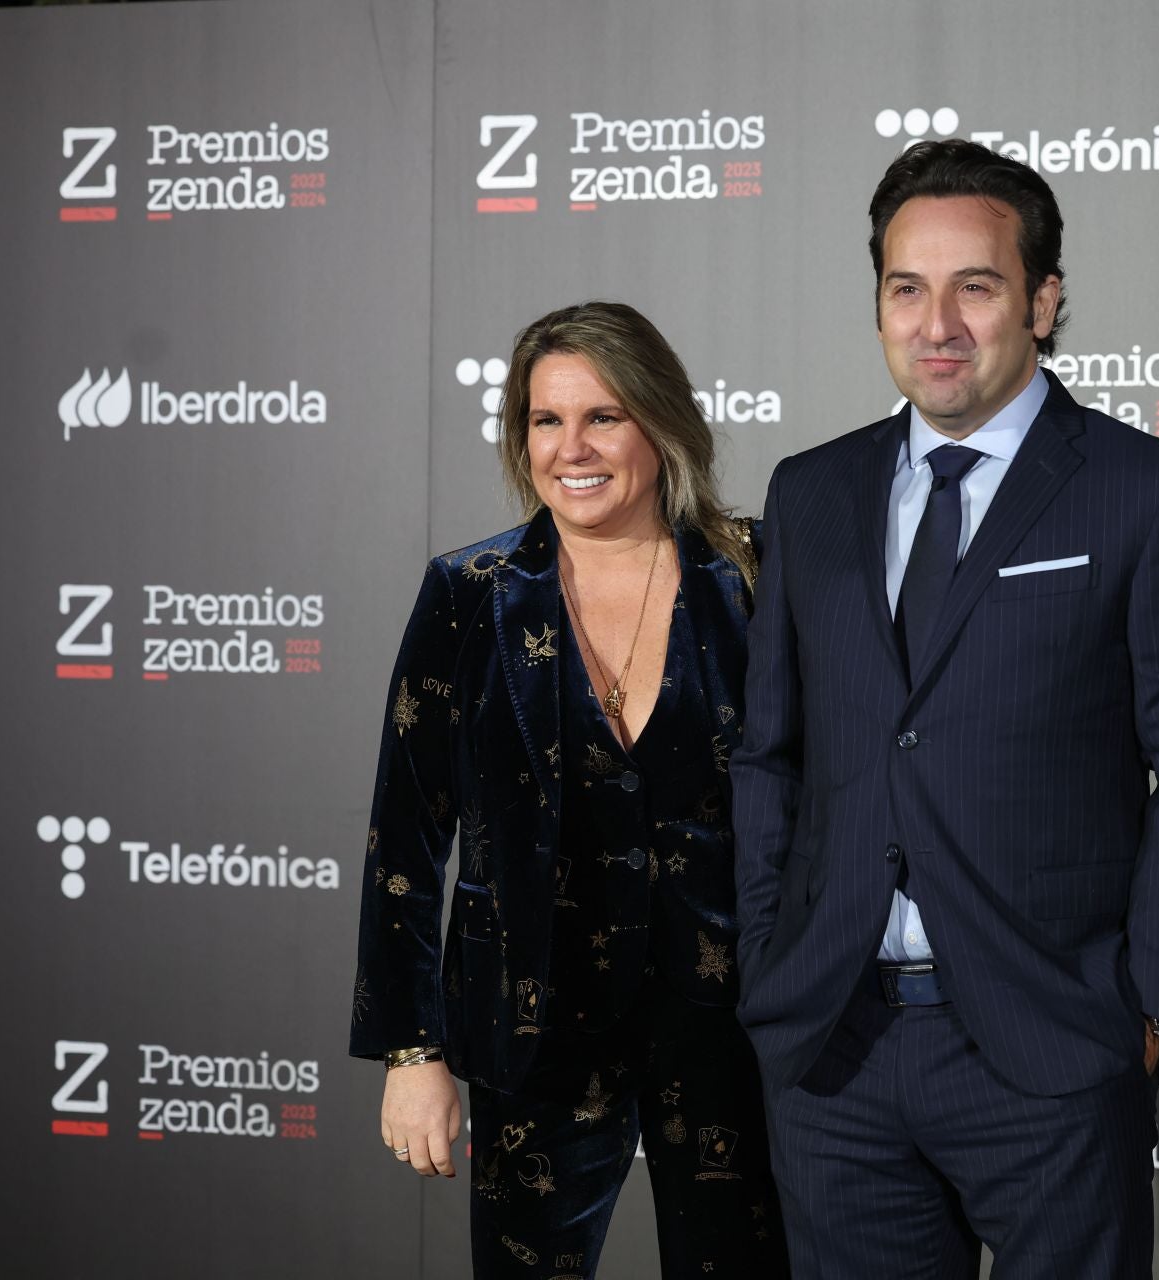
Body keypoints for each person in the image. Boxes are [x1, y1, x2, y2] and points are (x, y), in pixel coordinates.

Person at [732, 139, 1159, 1277]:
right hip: (834, 1044)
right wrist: (774, 954)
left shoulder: (1149, 494)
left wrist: (1151, 1002)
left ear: (1043, 300)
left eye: (975, 286)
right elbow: (769, 753)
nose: (938, 325)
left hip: (1049, 1043)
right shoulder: (810, 492)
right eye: (905, 288)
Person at [349, 301, 788, 1279]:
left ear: (659, 423)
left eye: (604, 416)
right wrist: (412, 1049)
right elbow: (406, 838)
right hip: (534, 1032)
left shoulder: (756, 573)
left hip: (732, 1033)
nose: (572, 447)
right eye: (547, 420)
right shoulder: (469, 591)